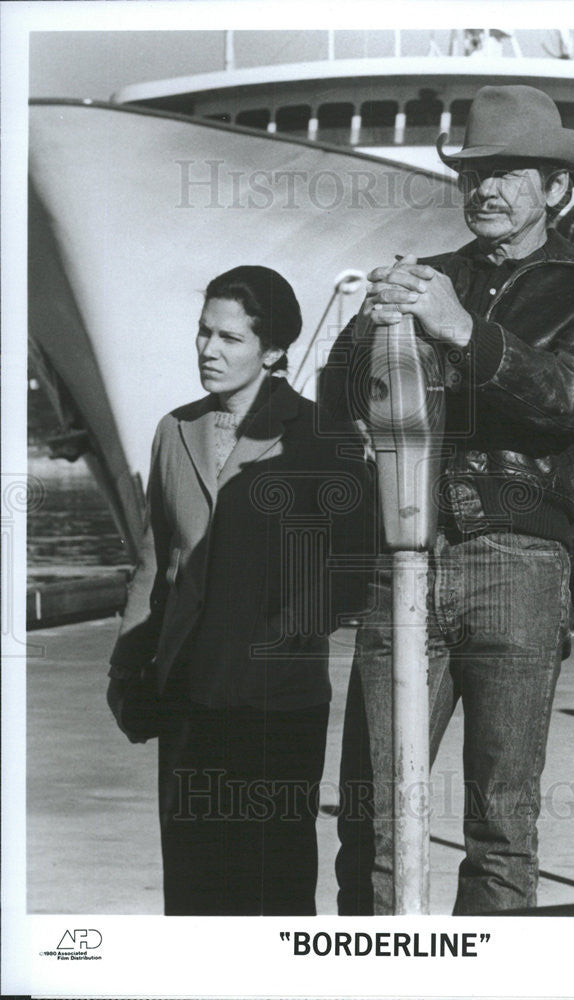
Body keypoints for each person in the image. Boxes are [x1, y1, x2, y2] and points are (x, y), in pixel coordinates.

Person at [319, 85, 574, 915]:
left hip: (519, 566)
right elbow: (339, 399)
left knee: (500, 825)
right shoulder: (427, 277)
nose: (485, 189)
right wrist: (366, 335)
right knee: (374, 815)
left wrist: (461, 329)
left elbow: (571, 396)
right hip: (405, 560)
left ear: (556, 188)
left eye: (509, 172)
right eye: (475, 172)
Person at [107, 265, 372, 915]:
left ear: (274, 350)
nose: (208, 350)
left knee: (272, 889)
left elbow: (352, 562)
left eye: (229, 338)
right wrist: (125, 670)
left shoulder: (318, 437)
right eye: (203, 333)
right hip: (187, 699)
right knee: (194, 893)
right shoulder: (175, 429)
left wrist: (288, 630)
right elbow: (154, 563)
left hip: (275, 707)